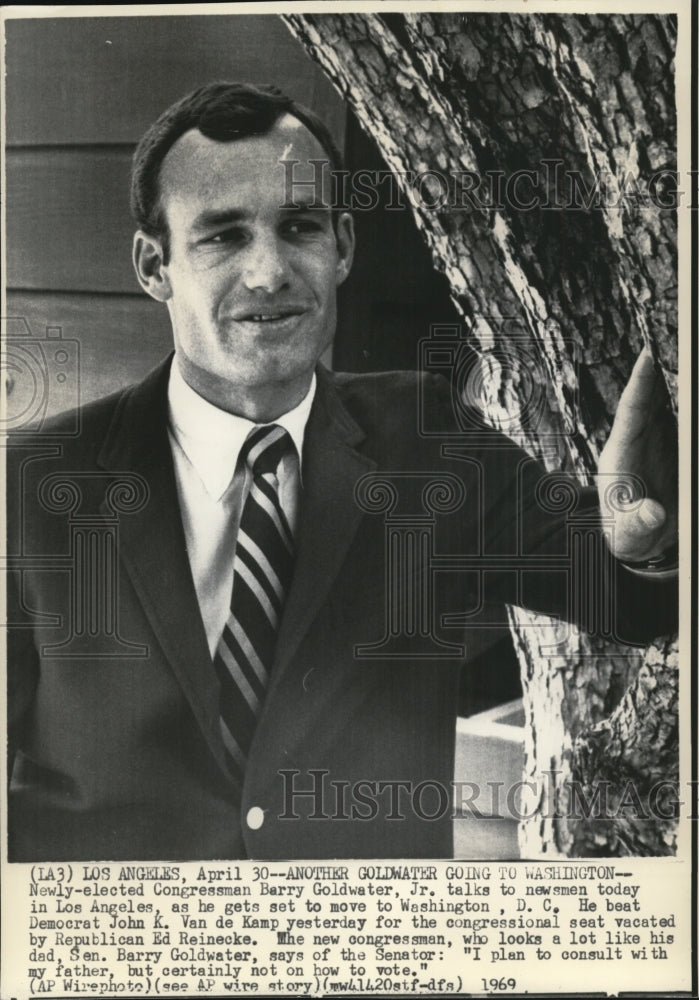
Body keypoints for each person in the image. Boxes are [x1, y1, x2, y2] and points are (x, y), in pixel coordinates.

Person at [6, 82, 678, 861]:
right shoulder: (32, 486)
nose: (269, 273)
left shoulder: (429, 446)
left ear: (344, 246)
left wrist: (644, 540)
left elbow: (627, 597)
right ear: (154, 265)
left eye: (299, 228)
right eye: (222, 237)